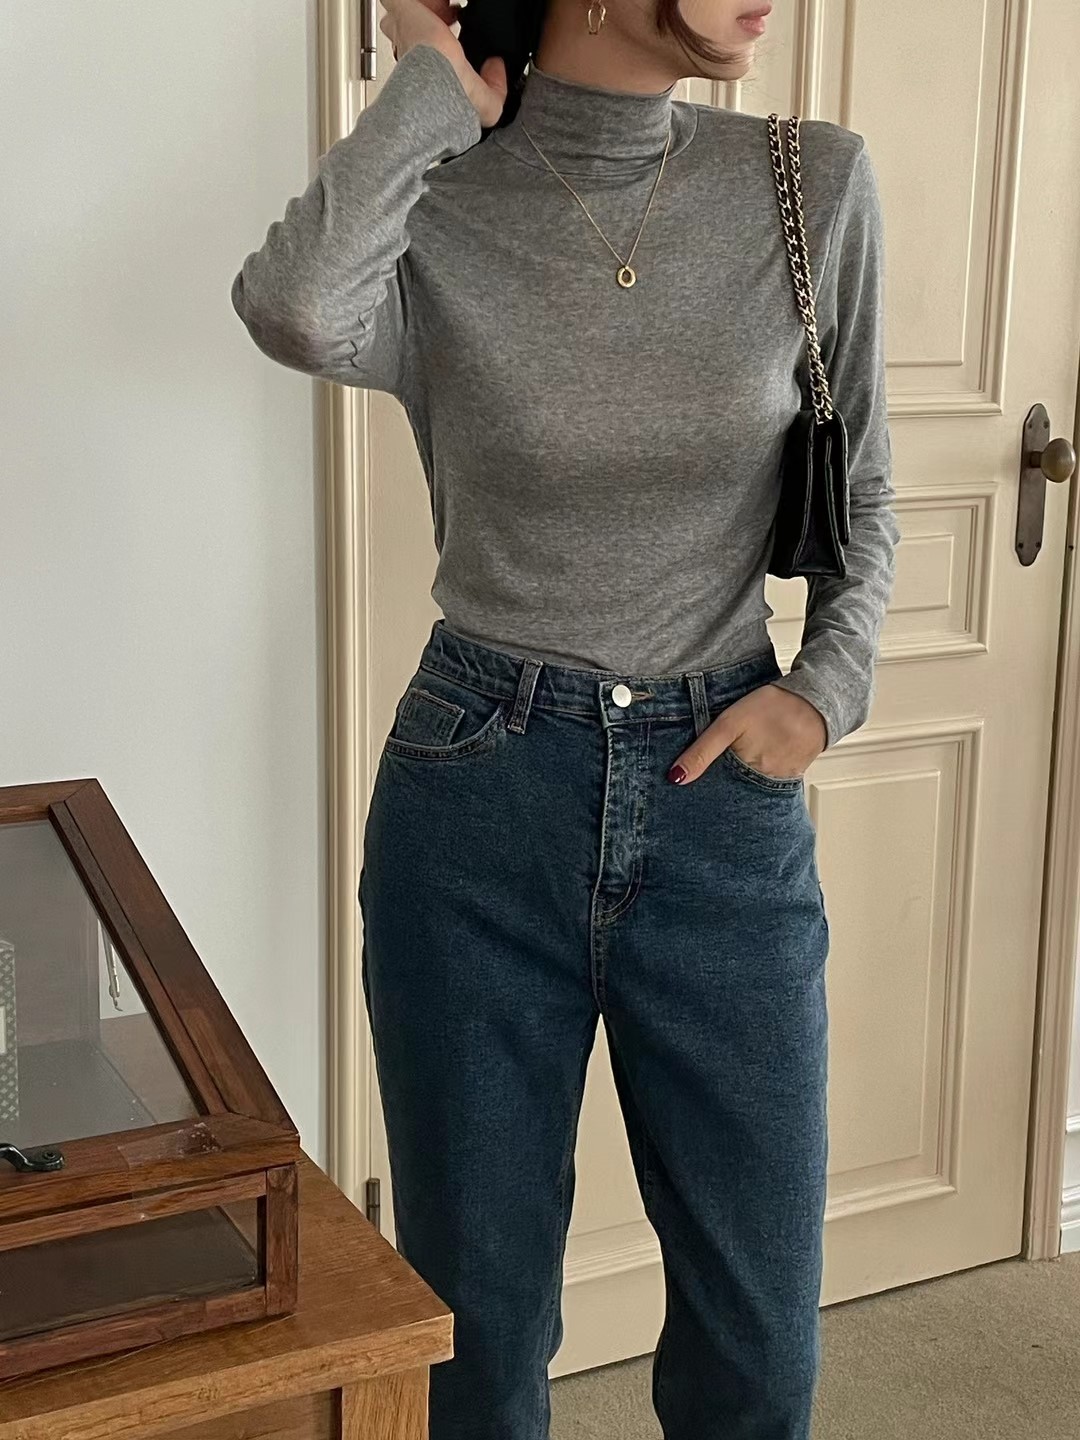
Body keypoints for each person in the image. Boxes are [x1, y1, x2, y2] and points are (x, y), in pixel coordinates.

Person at [230, 0, 900, 1435]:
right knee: (477, 1321)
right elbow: (293, 308)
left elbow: (868, 496)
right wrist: (430, 86)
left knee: (758, 1337)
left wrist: (822, 691)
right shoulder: (440, 201)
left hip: (722, 805)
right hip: (479, 787)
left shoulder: (809, 183)